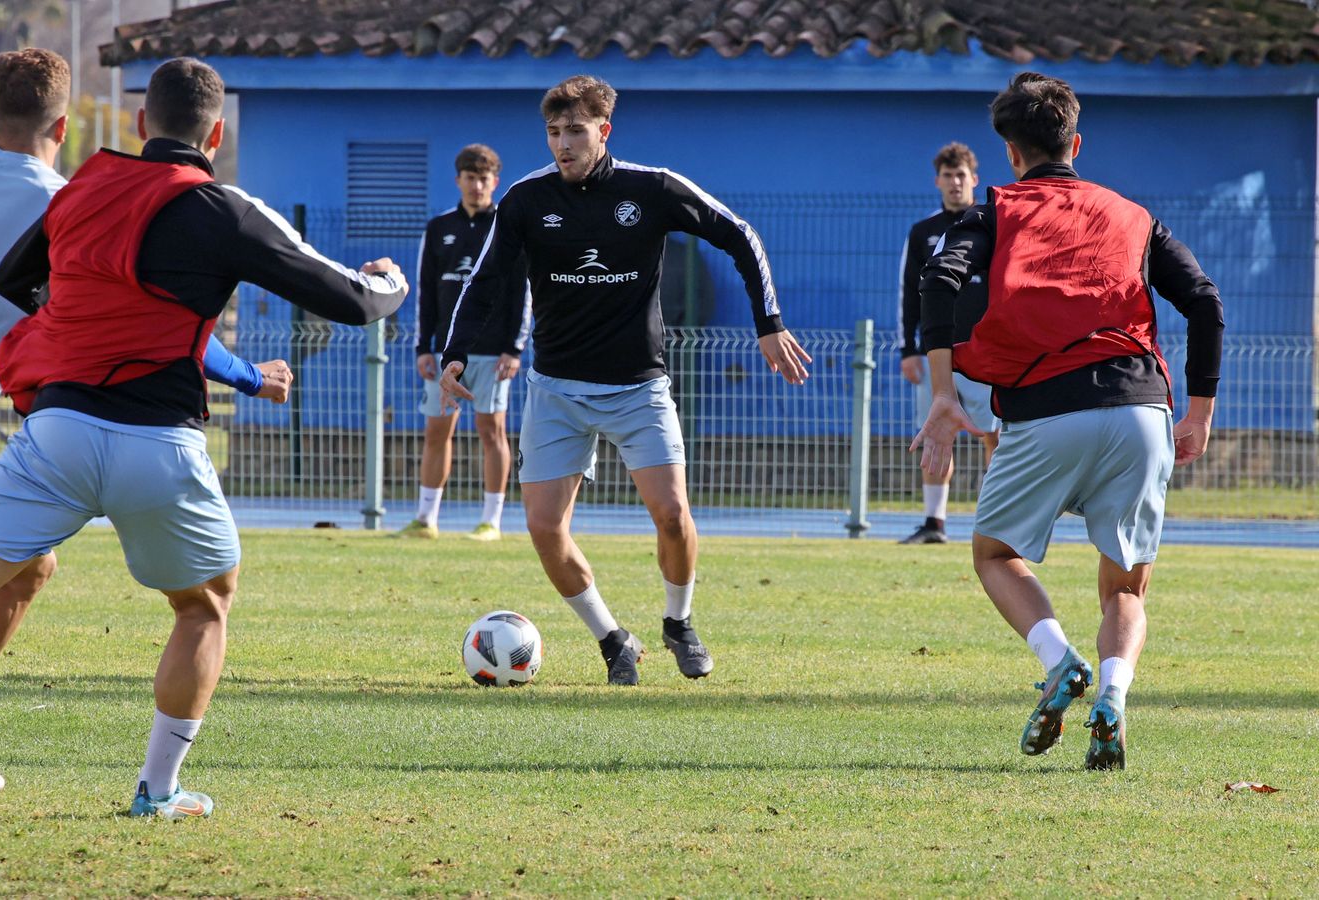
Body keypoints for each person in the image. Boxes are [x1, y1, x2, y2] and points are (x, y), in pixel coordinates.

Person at [0, 57, 406, 823]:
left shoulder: (77, 191)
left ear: (140, 124)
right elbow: (352, 299)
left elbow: (17, 283)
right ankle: (158, 790)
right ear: (215, 133)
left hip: (49, 434)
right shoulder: (221, 206)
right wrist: (390, 281)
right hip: (158, 444)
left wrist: (79, 320)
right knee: (201, 608)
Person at [440, 75, 811, 685]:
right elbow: (486, 281)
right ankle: (614, 641)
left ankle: (679, 623)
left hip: (638, 388)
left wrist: (768, 322)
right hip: (555, 389)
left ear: (603, 131)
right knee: (543, 529)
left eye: (576, 131)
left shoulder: (653, 189)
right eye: (554, 132)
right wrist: (457, 350)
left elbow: (739, 235)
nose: (563, 144)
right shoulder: (526, 200)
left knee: (671, 513)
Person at [912, 72, 1223, 770]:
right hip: (1141, 409)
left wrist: (943, 395)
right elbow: (1203, 299)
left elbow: (939, 280)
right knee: (1124, 587)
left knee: (994, 554)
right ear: (1075, 143)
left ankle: (1058, 663)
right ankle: (1112, 697)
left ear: (1011, 154)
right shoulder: (1133, 215)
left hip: (1046, 408)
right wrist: (1198, 410)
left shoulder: (995, 212)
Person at [400, 144, 531, 541]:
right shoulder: (438, 228)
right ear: (458, 180)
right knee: (437, 431)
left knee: (492, 431)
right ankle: (426, 520)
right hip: (445, 353)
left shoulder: (507, 226)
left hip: (494, 352)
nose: (477, 185)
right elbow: (424, 289)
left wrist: (515, 348)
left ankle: (491, 521)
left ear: (495, 182)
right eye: (470, 178)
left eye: (484, 178)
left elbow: (523, 290)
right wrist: (425, 347)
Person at [897, 142, 999, 544]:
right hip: (938, 354)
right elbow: (908, 292)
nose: (955, 183)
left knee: (997, 436)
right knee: (937, 433)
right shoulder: (923, 233)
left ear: (974, 180)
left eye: (962, 176)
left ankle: (996, 522)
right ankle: (934, 523)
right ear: (937, 181)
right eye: (948, 175)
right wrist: (909, 349)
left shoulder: (993, 226)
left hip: (988, 351)